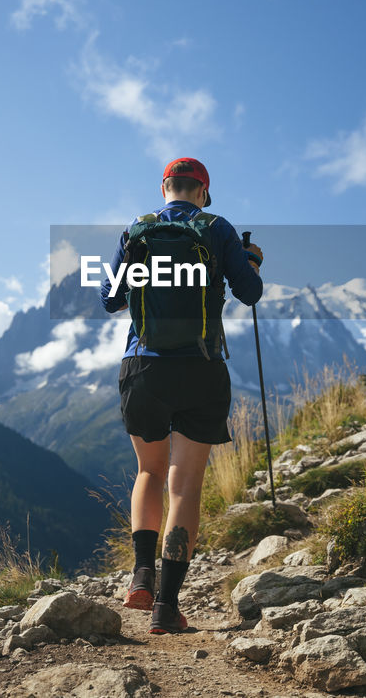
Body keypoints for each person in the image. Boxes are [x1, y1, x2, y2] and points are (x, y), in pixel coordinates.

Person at [99, 157, 263, 634]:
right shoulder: (218, 228)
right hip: (200, 369)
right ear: (203, 192)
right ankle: (166, 608)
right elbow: (249, 293)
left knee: (148, 471)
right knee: (185, 486)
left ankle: (141, 577)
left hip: (142, 367)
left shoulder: (136, 231)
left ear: (165, 187)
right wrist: (250, 261)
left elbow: (109, 298)